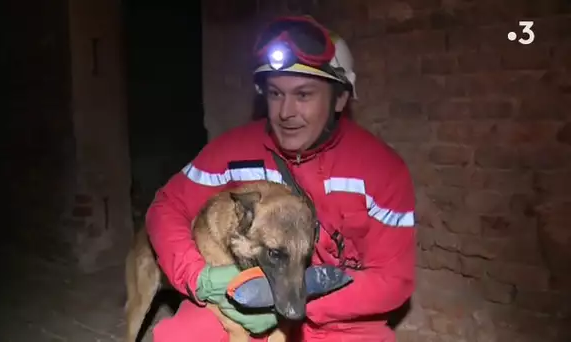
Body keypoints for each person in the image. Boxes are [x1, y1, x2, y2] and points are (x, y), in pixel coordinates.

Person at [146, 15, 417, 342]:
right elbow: (165, 208)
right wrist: (200, 277)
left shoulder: (381, 171)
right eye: (275, 94)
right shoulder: (232, 151)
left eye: (303, 95)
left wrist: (296, 302)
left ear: (340, 99)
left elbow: (393, 280)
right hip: (240, 305)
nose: (286, 112)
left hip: (338, 318)